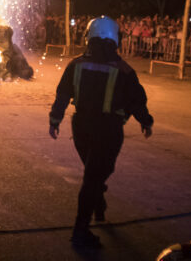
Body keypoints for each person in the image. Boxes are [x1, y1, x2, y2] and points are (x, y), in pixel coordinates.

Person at [49, 15, 154, 248]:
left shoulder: (75, 64)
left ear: (90, 37)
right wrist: (146, 121)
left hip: (81, 126)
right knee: (96, 175)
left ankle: (97, 202)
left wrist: (55, 119)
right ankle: (81, 230)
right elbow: (137, 101)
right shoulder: (124, 70)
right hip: (108, 129)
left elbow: (63, 94)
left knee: (93, 172)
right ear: (114, 38)